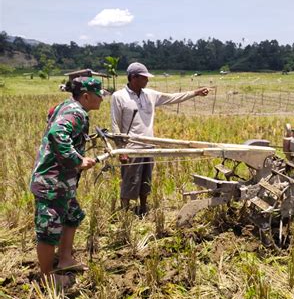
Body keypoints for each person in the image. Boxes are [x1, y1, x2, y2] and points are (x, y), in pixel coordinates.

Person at [111, 62, 210, 216]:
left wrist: (195, 92)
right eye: (144, 78)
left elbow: (173, 98)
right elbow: (115, 124)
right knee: (129, 181)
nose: (147, 81)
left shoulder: (150, 94)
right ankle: (124, 213)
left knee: (146, 181)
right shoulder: (119, 96)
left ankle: (143, 209)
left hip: (150, 147)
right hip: (131, 148)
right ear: (133, 77)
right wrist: (120, 150)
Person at [30, 77, 104, 281]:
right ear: (87, 96)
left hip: (63, 182)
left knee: (72, 215)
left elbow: (52, 118)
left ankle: (65, 258)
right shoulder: (76, 112)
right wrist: (76, 160)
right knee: (49, 228)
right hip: (52, 182)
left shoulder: (66, 106)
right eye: (99, 95)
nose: (102, 99)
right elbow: (57, 133)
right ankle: (47, 277)